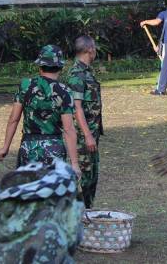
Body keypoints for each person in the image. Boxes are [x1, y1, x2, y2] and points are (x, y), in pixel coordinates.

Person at [0, 45, 80, 178]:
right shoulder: (64, 91)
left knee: (28, 189)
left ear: (40, 66)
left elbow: (14, 119)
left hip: (28, 148)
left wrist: (6, 147)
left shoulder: (25, 85)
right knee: (51, 189)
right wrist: (74, 164)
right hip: (54, 150)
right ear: (60, 67)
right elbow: (69, 129)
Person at [65, 35, 103, 209]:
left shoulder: (86, 72)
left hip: (91, 134)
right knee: (83, 178)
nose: (95, 51)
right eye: (94, 47)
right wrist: (87, 135)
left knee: (91, 176)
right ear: (89, 50)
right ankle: (77, 215)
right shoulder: (77, 74)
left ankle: (87, 213)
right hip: (82, 137)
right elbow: (76, 107)